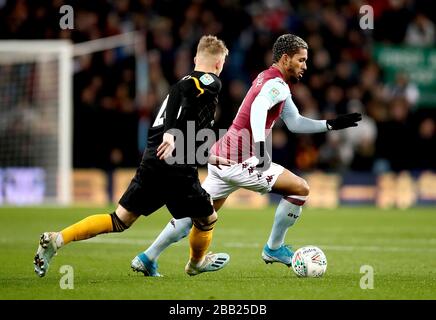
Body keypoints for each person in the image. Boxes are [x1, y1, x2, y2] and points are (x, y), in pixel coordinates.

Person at [130, 34, 362, 277]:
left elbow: (294, 123)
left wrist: (331, 125)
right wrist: (261, 148)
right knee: (299, 189)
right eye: (301, 60)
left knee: (198, 213)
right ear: (285, 59)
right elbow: (260, 108)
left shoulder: (269, 79)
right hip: (240, 160)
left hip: (223, 156)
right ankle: (273, 248)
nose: (305, 66)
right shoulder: (276, 85)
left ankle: (148, 257)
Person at [33, 35, 231, 277]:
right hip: (176, 164)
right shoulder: (208, 82)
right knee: (207, 218)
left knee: (120, 219)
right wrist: (172, 134)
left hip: (153, 158)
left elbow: (186, 114)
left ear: (194, 58)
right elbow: (183, 91)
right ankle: (196, 263)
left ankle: (58, 239)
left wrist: (206, 154)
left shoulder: (187, 87)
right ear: (219, 63)